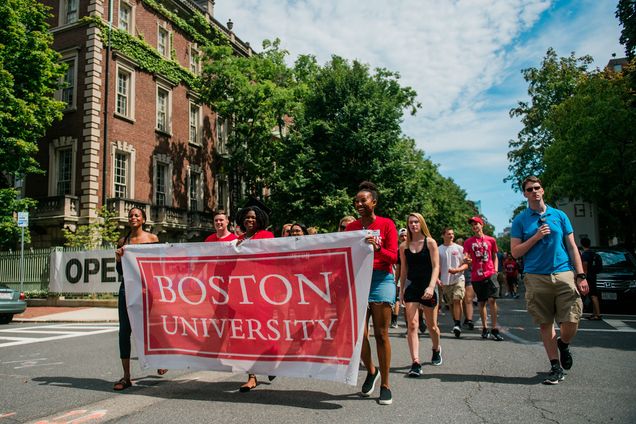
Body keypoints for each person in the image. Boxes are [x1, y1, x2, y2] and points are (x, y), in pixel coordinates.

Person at [511, 176, 589, 385]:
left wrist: (580, 275)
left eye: (537, 188)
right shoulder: (520, 220)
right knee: (546, 323)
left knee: (572, 319)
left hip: (563, 272)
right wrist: (535, 237)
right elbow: (516, 252)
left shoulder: (559, 215)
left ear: (543, 190)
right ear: (525, 194)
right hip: (536, 276)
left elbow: (572, 247)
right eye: (529, 189)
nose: (534, 191)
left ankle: (563, 343)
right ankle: (555, 367)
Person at [345, 181, 398, 405]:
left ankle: (385, 384)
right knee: (358, 336)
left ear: (373, 202)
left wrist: (377, 248)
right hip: (358, 278)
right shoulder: (351, 227)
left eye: (363, 200)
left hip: (381, 279)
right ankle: (371, 370)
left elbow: (394, 257)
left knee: (381, 334)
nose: (358, 203)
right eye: (356, 200)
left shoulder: (387, 224)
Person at [113, 207, 165, 391]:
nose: (133, 218)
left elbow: (158, 266)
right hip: (126, 289)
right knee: (124, 331)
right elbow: (120, 272)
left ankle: (160, 360)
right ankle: (126, 376)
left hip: (147, 289)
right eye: (130, 216)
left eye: (137, 215)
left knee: (152, 326)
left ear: (143, 219)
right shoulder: (123, 241)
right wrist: (119, 259)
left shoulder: (152, 239)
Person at [235, 205, 275, 392]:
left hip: (263, 290)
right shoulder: (239, 239)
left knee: (264, 330)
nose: (249, 220)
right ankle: (252, 376)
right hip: (244, 292)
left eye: (253, 217)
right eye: (246, 217)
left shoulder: (267, 237)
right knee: (247, 333)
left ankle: (271, 358)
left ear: (259, 220)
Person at [399, 213, 441, 377]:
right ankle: (415, 362)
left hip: (428, 286)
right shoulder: (403, 246)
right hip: (412, 288)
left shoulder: (430, 243)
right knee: (412, 325)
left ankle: (436, 348)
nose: (413, 225)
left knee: (432, 326)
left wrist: (431, 286)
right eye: (410, 222)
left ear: (421, 223)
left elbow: (436, 267)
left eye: (416, 222)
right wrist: (401, 290)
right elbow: (403, 270)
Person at [464, 216, 504, 341]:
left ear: (482, 225)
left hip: (490, 273)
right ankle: (485, 328)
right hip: (476, 275)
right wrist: (467, 260)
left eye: (477, 224)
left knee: (492, 300)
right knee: (482, 302)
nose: (475, 226)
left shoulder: (491, 240)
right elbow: (466, 257)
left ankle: (494, 328)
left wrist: (496, 270)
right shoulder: (468, 242)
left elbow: (494, 255)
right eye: (473, 225)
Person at [438, 227, 467, 339]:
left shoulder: (459, 248)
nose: (451, 236)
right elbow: (437, 266)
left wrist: (457, 270)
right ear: (443, 235)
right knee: (450, 304)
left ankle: (457, 324)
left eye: (452, 234)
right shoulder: (438, 249)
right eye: (449, 234)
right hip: (445, 281)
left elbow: (465, 264)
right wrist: (438, 279)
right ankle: (456, 322)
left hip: (458, 278)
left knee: (457, 299)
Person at [580, 237, 602, 320]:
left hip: (588, 276)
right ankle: (595, 313)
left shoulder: (585, 254)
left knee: (592, 295)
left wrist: (583, 277)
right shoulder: (593, 253)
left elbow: (585, 266)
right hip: (593, 275)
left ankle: (598, 314)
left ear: (582, 244)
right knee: (594, 295)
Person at [456, 237, 475, 330]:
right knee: (462, 299)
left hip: (468, 276)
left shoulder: (468, 253)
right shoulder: (454, 252)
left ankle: (469, 320)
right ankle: (466, 318)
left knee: (468, 299)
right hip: (458, 277)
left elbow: (473, 263)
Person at [391, 228, 408, 328]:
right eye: (402, 236)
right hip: (401, 279)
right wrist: (395, 280)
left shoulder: (415, 247)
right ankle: (395, 319)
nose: (404, 238)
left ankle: (417, 322)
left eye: (405, 235)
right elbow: (398, 267)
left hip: (414, 279)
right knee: (398, 299)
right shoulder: (397, 250)